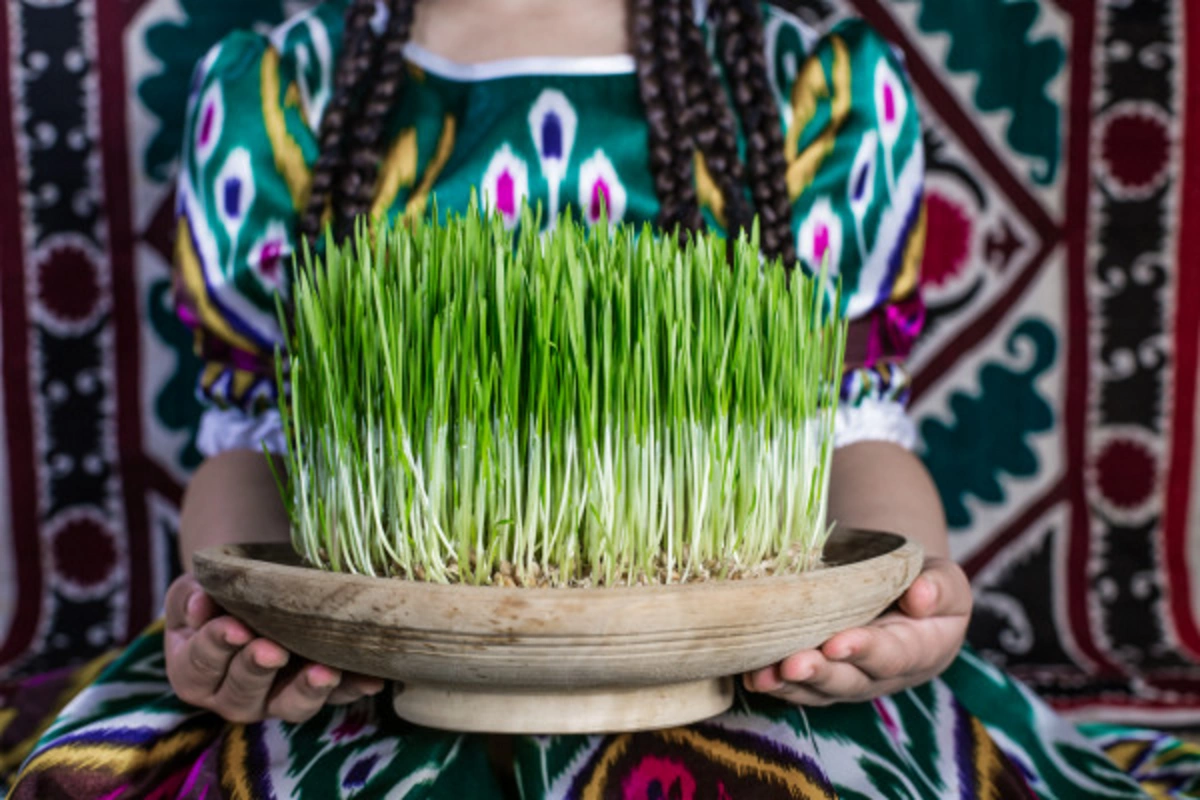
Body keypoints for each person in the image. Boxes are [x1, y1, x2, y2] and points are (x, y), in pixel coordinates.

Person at [6, 0, 1184, 797]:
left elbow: (856, 429)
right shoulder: (277, 91)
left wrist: (904, 599)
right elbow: (249, 444)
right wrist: (238, 615)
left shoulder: (816, 87)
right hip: (372, 675)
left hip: (746, 663)